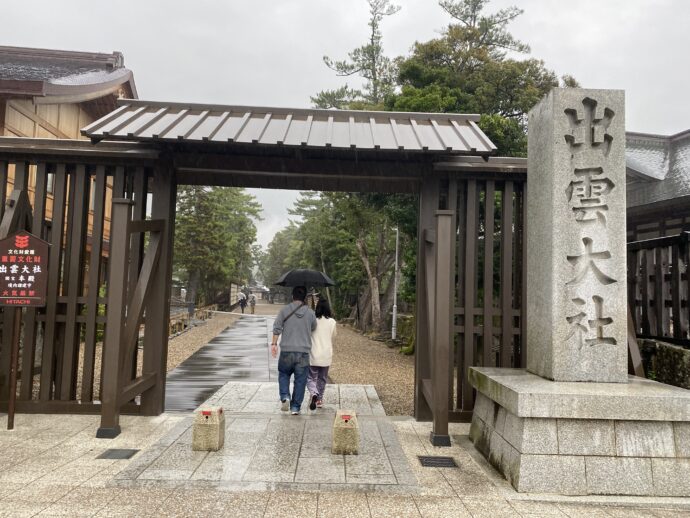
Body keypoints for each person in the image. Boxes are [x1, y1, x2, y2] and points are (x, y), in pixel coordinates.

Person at [271, 286, 317, 415]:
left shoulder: (284, 310)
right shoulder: (310, 313)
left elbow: (277, 328)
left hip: (286, 350)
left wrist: (274, 344)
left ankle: (285, 396)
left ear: (292, 296)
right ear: (304, 298)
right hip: (303, 352)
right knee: (301, 380)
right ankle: (295, 407)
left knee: (284, 374)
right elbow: (314, 327)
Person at [307, 299, 336, 410]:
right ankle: (319, 399)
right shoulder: (332, 322)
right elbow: (333, 337)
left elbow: (308, 335)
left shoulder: (313, 320)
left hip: (313, 353)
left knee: (311, 377)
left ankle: (313, 393)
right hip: (326, 354)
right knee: (322, 378)